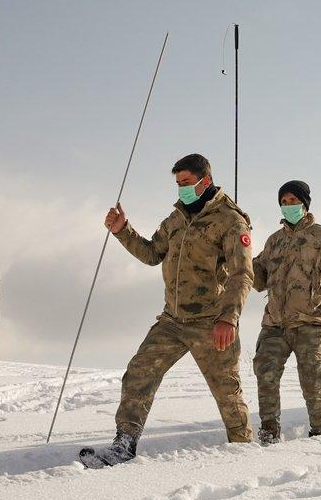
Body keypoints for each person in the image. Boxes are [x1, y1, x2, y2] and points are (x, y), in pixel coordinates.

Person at [85, 154, 253, 467]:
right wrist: (123, 230)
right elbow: (152, 254)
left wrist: (228, 318)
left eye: (186, 182)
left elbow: (242, 274)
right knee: (139, 373)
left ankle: (244, 452)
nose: (181, 189)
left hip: (211, 321)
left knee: (227, 393)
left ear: (205, 180)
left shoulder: (230, 220)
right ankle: (123, 446)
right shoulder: (176, 219)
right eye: (178, 184)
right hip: (173, 321)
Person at [252, 181, 321, 444]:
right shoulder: (274, 241)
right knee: (265, 373)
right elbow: (258, 278)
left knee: (312, 382)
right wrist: (242, 259)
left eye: (293, 201)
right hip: (275, 323)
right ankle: (269, 433)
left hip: (310, 322)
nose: (288, 205)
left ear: (304, 204)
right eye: (284, 201)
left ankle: (319, 434)